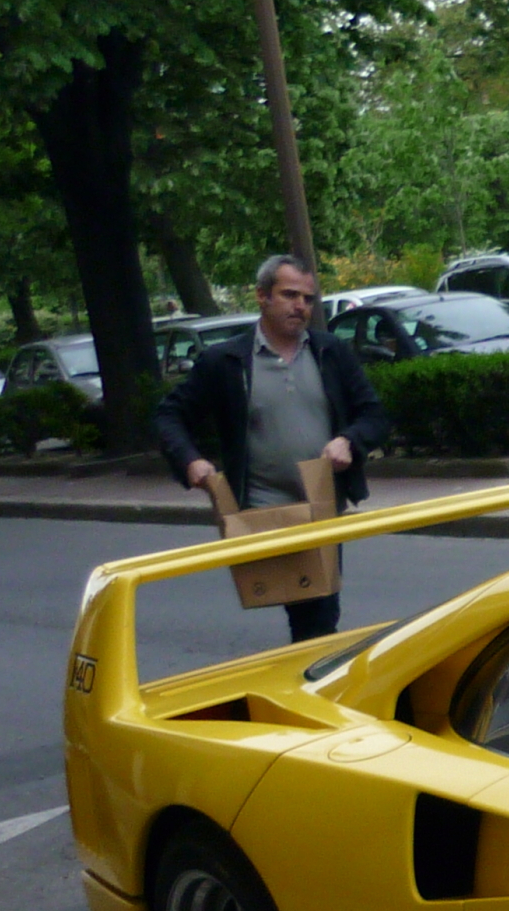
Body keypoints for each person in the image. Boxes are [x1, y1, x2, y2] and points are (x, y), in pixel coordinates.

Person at [153, 253, 388, 641]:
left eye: (308, 299)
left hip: (321, 509)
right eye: (289, 295)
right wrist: (191, 461)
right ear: (262, 296)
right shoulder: (227, 361)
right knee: (312, 616)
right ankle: (309, 669)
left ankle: (308, 669)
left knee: (318, 616)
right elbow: (169, 415)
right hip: (264, 511)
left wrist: (350, 440)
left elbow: (374, 414)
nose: (300, 306)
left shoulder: (329, 352)